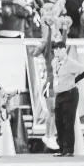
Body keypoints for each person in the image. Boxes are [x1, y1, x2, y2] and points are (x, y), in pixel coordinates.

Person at [33, 19, 68, 151]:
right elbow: (49, 43)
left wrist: (64, 28)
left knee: (56, 112)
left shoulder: (61, 57)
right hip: (50, 85)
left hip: (58, 86)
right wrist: (51, 29)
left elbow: (64, 43)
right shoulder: (49, 54)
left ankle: (50, 135)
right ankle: (48, 135)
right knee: (52, 111)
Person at [52, 41, 84, 157]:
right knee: (58, 122)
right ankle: (61, 148)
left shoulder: (71, 62)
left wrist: (74, 81)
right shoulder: (54, 62)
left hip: (70, 93)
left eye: (59, 49)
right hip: (59, 94)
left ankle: (68, 150)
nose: (57, 51)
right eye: (55, 49)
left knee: (68, 122)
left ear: (64, 50)